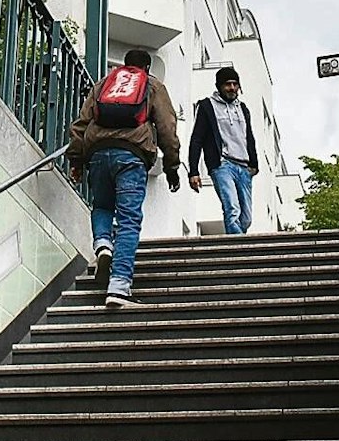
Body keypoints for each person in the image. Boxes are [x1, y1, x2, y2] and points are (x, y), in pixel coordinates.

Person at [68, 47, 181, 307]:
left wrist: (76, 160)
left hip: (97, 153)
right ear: (147, 69)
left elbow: (81, 124)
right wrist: (172, 165)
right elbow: (166, 127)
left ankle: (103, 245)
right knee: (129, 220)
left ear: (124, 66)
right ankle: (118, 287)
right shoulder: (153, 86)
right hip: (131, 156)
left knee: (102, 205)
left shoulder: (103, 85)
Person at [187, 65, 259, 235]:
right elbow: (196, 139)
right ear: (219, 86)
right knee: (232, 209)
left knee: (246, 218)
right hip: (222, 165)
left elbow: (249, 137)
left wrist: (254, 164)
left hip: (244, 167)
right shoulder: (207, 106)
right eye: (227, 84)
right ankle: (238, 252)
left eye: (235, 84)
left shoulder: (243, 108)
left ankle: (238, 243)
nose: (232, 88)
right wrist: (193, 171)